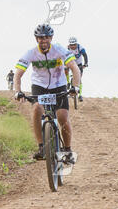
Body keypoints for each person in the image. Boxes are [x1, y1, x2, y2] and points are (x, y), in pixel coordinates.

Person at [14, 23, 81, 164]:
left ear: (51, 38)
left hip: (59, 85)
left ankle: (67, 150)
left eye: (46, 38)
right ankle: (41, 148)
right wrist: (17, 91)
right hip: (40, 86)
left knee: (62, 116)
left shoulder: (59, 49)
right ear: (36, 39)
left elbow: (75, 68)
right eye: (40, 38)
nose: (43, 40)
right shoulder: (31, 53)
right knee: (37, 110)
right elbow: (18, 74)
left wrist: (75, 87)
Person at [66, 36, 88, 102]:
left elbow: (85, 55)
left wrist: (86, 63)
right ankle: (68, 83)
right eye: (71, 45)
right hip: (70, 63)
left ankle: (80, 95)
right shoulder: (67, 48)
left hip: (78, 65)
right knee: (65, 70)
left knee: (79, 79)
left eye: (74, 45)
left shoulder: (80, 48)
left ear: (77, 44)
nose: (72, 46)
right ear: (69, 45)